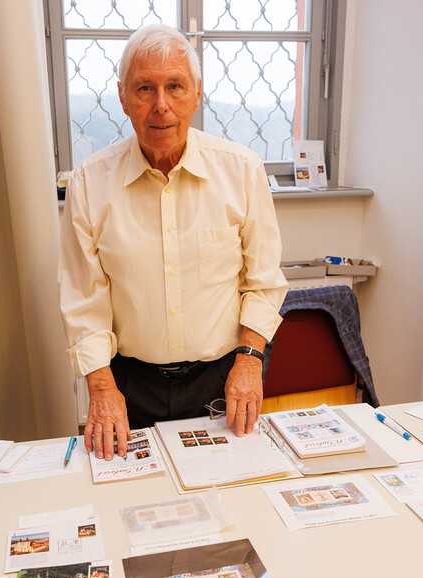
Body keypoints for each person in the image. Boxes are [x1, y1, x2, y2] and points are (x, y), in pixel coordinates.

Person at [58, 24, 288, 460]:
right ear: (123, 96)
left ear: (196, 94)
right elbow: (83, 300)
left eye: (175, 86)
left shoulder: (242, 170)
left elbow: (263, 282)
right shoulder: (89, 182)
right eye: (145, 88)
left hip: (223, 378)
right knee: (132, 496)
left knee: (230, 489)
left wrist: (249, 360)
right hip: (128, 384)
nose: (160, 105)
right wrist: (101, 387)